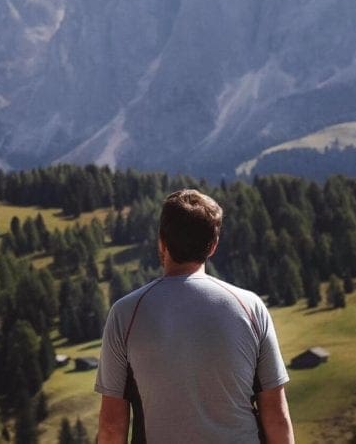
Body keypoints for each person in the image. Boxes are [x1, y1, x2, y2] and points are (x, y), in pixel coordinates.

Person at [95, 189, 294, 443]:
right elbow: (277, 416)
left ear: (161, 242)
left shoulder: (125, 313)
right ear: (213, 246)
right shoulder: (251, 307)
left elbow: (112, 426)